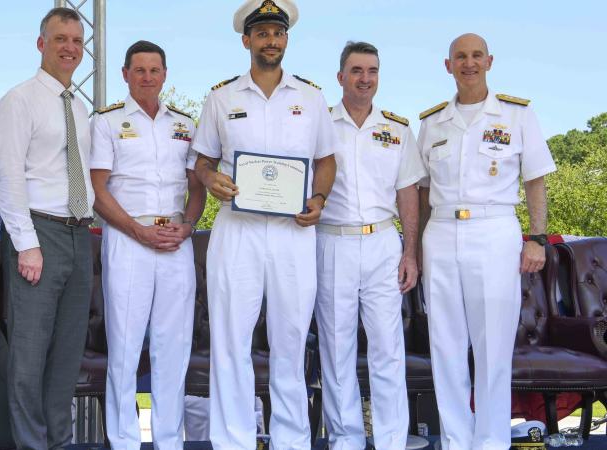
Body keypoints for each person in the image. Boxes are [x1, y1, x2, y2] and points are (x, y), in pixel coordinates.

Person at [191, 1, 337, 448]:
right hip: (238, 231)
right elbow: (202, 161)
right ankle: (233, 439)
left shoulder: (311, 98)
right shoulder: (222, 97)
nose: (271, 40)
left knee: (291, 340)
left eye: (278, 32)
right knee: (231, 340)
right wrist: (210, 178)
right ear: (246, 40)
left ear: (286, 39)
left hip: (294, 231)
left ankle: (291, 440)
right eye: (262, 33)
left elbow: (326, 161)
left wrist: (318, 198)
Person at [416, 33, 557, 449]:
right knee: (446, 346)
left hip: (494, 231)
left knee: (493, 347)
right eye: (460, 57)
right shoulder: (431, 122)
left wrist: (537, 239)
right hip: (439, 234)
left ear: (490, 61)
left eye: (477, 55)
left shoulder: (517, 115)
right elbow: (422, 191)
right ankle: (457, 441)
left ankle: (491, 441)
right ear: (448, 65)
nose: (469, 63)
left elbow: (535, 180)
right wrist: (416, 248)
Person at [90, 40, 207, 450]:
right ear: (125, 74)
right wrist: (136, 231)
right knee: (124, 347)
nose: (147, 77)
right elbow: (98, 191)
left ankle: (168, 441)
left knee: (172, 348)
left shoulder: (185, 125)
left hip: (175, 241)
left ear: (164, 75)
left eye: (154, 70)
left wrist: (189, 226)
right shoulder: (105, 122)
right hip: (129, 239)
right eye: (139, 70)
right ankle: (123, 441)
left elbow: (197, 188)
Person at [0, 7, 94, 449]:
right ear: (41, 44)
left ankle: (59, 442)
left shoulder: (82, 108)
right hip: (40, 234)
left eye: (76, 40)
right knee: (30, 358)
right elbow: (8, 176)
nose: (70, 47)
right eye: (60, 39)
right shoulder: (19, 100)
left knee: (66, 356)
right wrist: (26, 245)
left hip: (79, 234)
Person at [316, 41, 425, 450]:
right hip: (331, 241)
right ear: (340, 76)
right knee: (336, 346)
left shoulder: (397, 129)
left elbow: (408, 192)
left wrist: (410, 251)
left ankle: (391, 440)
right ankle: (346, 439)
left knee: (387, 346)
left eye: (372, 71)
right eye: (357, 70)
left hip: (382, 242)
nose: (365, 79)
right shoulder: (319, 123)